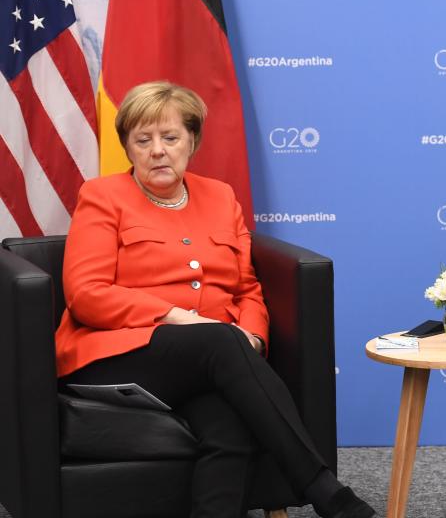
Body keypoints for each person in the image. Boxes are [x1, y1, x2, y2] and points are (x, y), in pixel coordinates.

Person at [56, 81, 376, 518]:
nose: (158, 151)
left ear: (192, 141)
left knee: (230, 427)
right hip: (117, 353)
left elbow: (247, 290)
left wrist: (254, 340)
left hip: (208, 359)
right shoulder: (102, 197)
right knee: (220, 342)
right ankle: (327, 493)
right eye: (143, 140)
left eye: (170, 138)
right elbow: (85, 295)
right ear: (128, 147)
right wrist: (180, 319)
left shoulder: (220, 197)